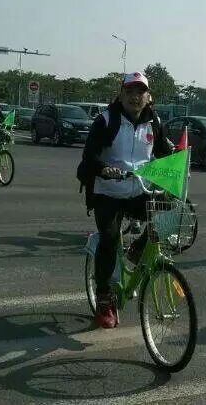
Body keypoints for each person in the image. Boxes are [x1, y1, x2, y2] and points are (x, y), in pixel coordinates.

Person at [79, 72, 172, 329]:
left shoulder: (154, 122)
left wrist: (179, 165)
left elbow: (164, 155)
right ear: (120, 95)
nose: (135, 97)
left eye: (140, 92)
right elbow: (88, 157)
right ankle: (104, 298)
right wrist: (103, 168)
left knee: (174, 208)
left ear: (148, 96)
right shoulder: (106, 120)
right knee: (109, 238)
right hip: (107, 192)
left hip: (138, 190)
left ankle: (138, 248)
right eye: (129, 91)